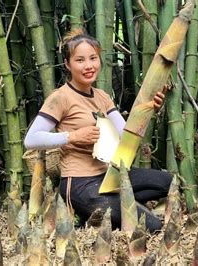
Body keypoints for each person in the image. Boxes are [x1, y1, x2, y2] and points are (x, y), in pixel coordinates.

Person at [24, 29, 172, 232]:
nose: (88, 66)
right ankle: (100, 210)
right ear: (67, 64)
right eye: (80, 60)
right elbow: (31, 139)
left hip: (110, 176)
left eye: (93, 58)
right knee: (153, 226)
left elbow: (125, 134)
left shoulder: (102, 96)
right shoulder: (61, 97)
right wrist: (73, 136)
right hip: (79, 183)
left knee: (168, 183)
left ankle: (111, 206)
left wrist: (150, 109)